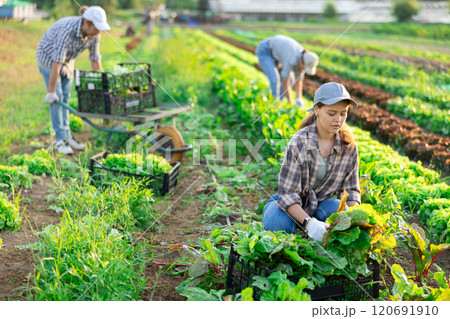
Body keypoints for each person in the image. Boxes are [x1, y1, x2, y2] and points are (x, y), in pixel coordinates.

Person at [263, 82, 360, 243]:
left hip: (323, 203)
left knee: (339, 213)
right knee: (277, 224)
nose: (339, 119)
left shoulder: (348, 146)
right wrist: (310, 224)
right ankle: (302, 223)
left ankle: (318, 225)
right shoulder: (299, 142)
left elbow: (351, 192)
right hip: (290, 204)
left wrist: (354, 220)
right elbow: (288, 195)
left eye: (343, 113)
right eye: (331, 113)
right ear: (317, 110)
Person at [36, 5, 110, 155]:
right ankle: (59, 140)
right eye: (96, 28)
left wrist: (101, 85)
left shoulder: (94, 35)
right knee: (57, 99)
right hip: (49, 60)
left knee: (66, 98)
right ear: (86, 23)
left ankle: (67, 135)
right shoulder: (66, 30)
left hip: (67, 62)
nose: (98, 32)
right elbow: (56, 62)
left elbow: (95, 59)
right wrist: (51, 91)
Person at [255, 34, 319, 108]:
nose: (304, 70)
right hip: (266, 50)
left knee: (291, 81)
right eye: (305, 67)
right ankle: (273, 106)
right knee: (274, 80)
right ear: (301, 61)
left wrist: (299, 99)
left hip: (276, 53)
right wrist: (291, 104)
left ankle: (279, 102)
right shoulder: (292, 60)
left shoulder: (303, 58)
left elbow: (298, 81)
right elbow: (285, 83)